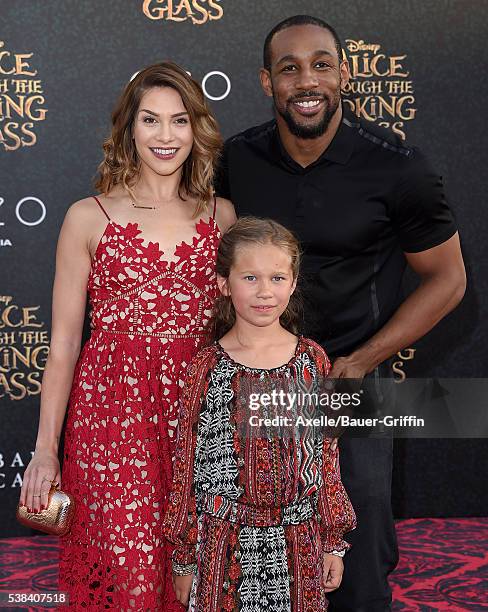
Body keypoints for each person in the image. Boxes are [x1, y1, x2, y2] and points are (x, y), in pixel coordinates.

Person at [214, 15, 466, 612]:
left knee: (356, 555)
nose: (307, 80)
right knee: (249, 557)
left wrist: (362, 359)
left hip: (350, 381)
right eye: (289, 68)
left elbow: (449, 280)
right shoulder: (235, 160)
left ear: (344, 75)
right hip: (254, 377)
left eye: (321, 64)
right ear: (266, 80)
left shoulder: (398, 165)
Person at [18, 61, 236, 610]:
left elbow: (242, 326)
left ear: (196, 129)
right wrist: (46, 451)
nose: (166, 136)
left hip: (200, 413)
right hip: (111, 420)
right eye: (151, 120)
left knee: (204, 576)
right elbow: (64, 345)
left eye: (179, 121)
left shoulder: (222, 216)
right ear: (128, 129)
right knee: (129, 578)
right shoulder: (87, 218)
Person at [163, 217, 356, 611]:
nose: (265, 292)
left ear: (294, 282)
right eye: (250, 278)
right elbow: (186, 466)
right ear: (224, 284)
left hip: (298, 541)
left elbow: (326, 460)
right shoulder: (206, 367)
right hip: (222, 541)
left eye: (277, 278)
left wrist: (333, 541)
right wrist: (183, 555)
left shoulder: (313, 361)